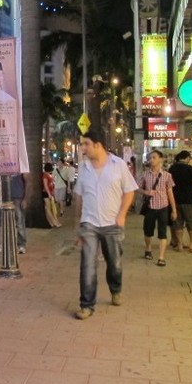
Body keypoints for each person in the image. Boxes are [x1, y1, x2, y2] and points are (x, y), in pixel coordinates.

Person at [73, 130, 138, 320]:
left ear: (98, 145)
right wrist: (77, 225)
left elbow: (129, 191)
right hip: (89, 223)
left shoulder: (118, 165)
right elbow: (78, 197)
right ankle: (86, 305)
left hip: (112, 223)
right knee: (87, 265)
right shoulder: (83, 168)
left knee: (114, 264)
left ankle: (115, 289)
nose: (83, 148)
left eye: (86, 144)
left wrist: (122, 215)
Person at [137, 150, 177, 266]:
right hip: (150, 207)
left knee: (163, 233)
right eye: (150, 158)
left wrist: (174, 210)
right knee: (148, 231)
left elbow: (170, 193)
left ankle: (161, 257)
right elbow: (136, 187)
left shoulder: (167, 176)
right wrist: (146, 191)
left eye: (154, 157)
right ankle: (148, 248)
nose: (151, 160)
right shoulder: (145, 174)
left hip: (163, 207)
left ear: (161, 159)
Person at [168, 150, 192, 254]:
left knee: (178, 223)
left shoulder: (172, 168)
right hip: (189, 200)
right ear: (187, 158)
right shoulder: (189, 168)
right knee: (191, 222)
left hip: (175, 200)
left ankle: (179, 245)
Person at [11, 173, 30, 254]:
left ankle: (21, 244)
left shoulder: (22, 166)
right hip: (7, 197)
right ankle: (7, 243)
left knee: (20, 222)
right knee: (6, 221)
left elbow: (28, 182)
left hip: (18, 197)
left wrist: (25, 198)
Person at [42, 163, 62, 228]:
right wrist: (49, 194)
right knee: (48, 208)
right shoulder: (45, 175)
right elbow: (45, 185)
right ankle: (54, 222)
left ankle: (51, 222)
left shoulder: (47, 175)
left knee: (49, 208)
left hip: (49, 193)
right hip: (47, 193)